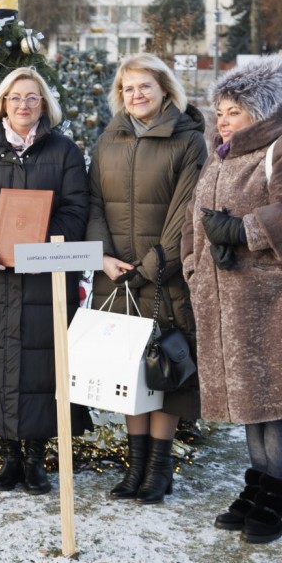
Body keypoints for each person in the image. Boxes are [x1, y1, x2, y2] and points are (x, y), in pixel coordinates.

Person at [182, 54, 282, 544]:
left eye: (234, 111)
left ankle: (276, 500)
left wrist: (243, 231)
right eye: (220, 111)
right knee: (249, 402)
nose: (223, 120)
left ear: (261, 112)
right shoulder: (221, 155)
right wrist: (194, 265)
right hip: (223, 302)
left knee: (275, 402)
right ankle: (257, 487)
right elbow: (194, 220)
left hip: (269, 303)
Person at [0, 66, 90, 495]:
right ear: (2, 104)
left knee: (42, 366)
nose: (23, 105)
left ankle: (35, 459)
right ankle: (8, 456)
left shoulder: (64, 152)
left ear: (44, 104)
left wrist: (38, 244)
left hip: (45, 279)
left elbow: (76, 210)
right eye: (15, 97)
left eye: (32, 97)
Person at [87, 53, 207, 504]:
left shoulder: (188, 141)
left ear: (165, 90)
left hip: (165, 279)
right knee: (128, 372)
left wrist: (155, 265)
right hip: (115, 277)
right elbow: (93, 202)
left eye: (144, 86)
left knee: (165, 370)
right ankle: (134, 467)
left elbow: (187, 211)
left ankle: (159, 470)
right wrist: (102, 255)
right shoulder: (108, 140)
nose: (136, 95)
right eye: (128, 88)